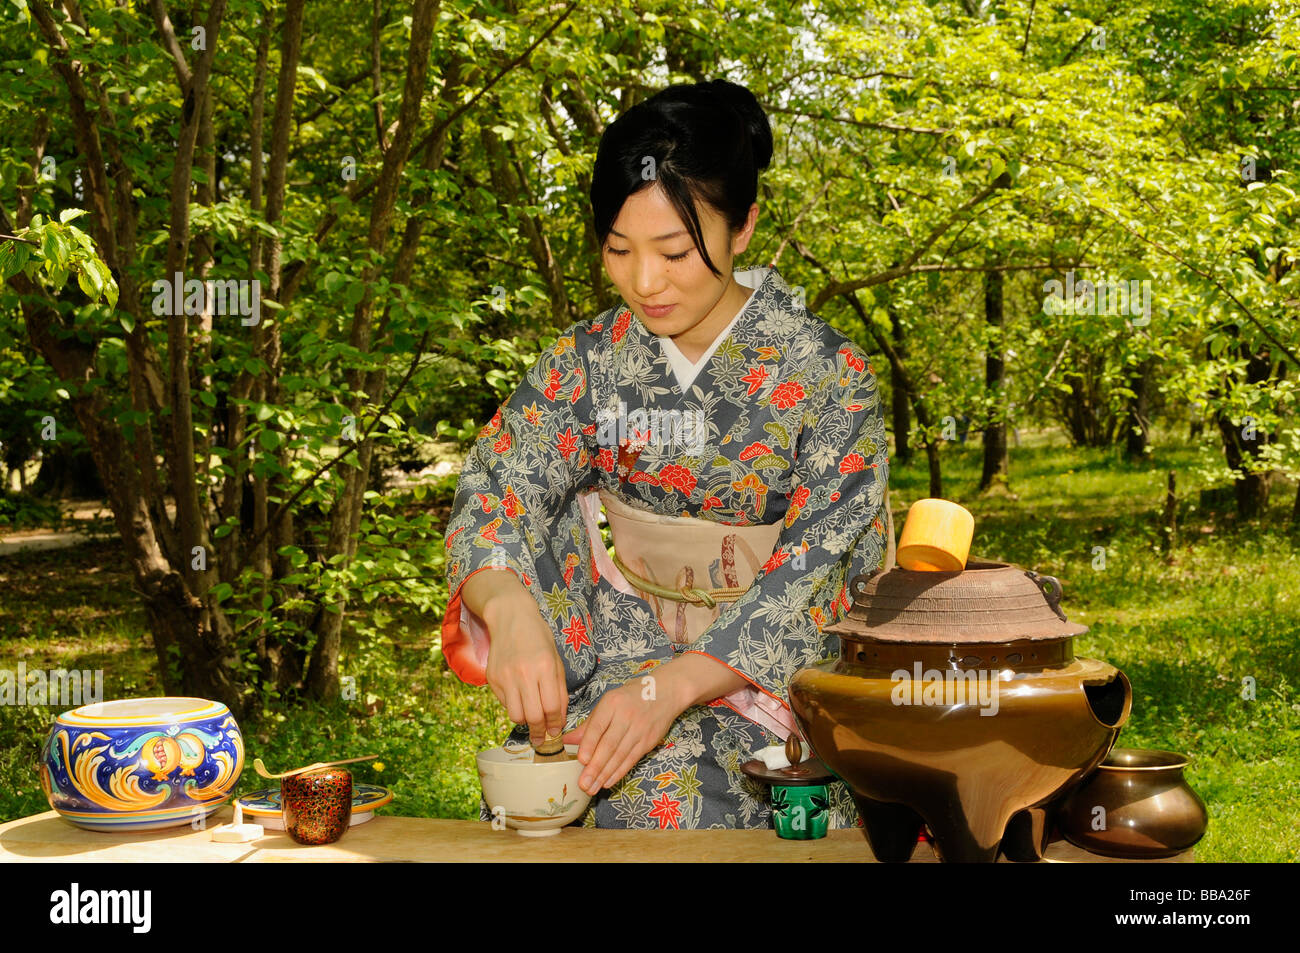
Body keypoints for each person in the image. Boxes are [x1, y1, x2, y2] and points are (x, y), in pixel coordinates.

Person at [442, 78, 891, 829]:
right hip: (614, 654)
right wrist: (508, 603)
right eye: (619, 249)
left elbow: (826, 565)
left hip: (770, 689)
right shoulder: (588, 362)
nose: (644, 283)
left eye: (675, 251)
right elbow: (499, 480)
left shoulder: (828, 376)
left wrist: (674, 688)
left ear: (742, 226)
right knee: (551, 784)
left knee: (668, 795)